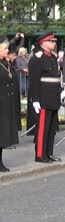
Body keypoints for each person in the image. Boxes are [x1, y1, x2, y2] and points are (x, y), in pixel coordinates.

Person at [28, 33, 62, 163]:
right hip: (43, 98)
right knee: (43, 128)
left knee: (52, 128)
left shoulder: (53, 57)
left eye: (54, 41)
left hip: (53, 97)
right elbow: (34, 81)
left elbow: (56, 78)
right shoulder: (37, 58)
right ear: (43, 43)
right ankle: (40, 154)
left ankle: (49, 153)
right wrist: (35, 99)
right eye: (51, 41)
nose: (54, 43)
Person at [0, 41, 20, 171]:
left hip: (7, 102)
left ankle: (0, 161)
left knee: (3, 134)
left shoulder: (6, 63)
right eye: (5, 49)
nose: (7, 51)